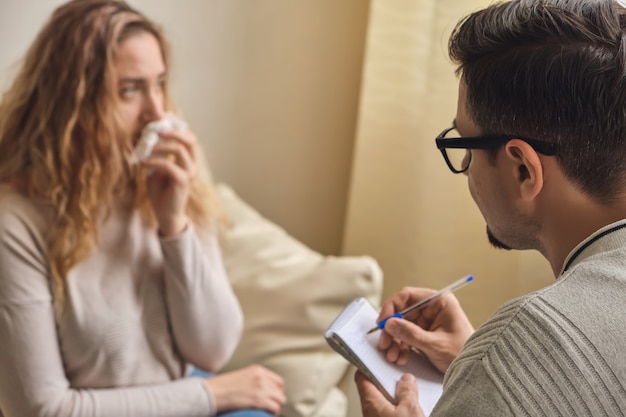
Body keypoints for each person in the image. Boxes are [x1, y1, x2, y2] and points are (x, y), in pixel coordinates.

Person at [0, 1, 286, 416]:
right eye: (129, 90)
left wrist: (175, 224)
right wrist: (212, 395)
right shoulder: (16, 221)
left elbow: (214, 351)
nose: (156, 112)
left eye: (160, 84)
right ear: (72, 104)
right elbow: (42, 409)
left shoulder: (164, 175)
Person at [355, 0, 626, 416]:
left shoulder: (523, 343)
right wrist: (486, 372)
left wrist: (497, 366)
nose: (465, 170)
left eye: (463, 144)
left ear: (522, 169)